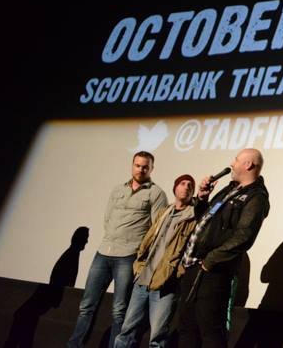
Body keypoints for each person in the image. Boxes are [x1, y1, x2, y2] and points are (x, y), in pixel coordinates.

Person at [67, 151, 168, 348]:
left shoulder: (156, 194)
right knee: (86, 306)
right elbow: (108, 219)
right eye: (137, 165)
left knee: (119, 310)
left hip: (128, 256)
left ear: (152, 169)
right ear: (132, 165)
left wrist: (139, 251)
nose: (141, 169)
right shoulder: (117, 190)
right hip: (104, 252)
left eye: (145, 166)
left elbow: (157, 229)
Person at [178, 148, 270, 348]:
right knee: (187, 327)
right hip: (193, 265)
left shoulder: (256, 197)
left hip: (214, 271)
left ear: (248, 165)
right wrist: (202, 198)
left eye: (236, 160)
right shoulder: (229, 189)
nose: (232, 163)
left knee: (210, 330)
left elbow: (244, 236)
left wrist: (210, 262)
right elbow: (205, 219)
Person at [113, 174, 198, 348]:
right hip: (143, 280)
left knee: (157, 338)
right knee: (126, 332)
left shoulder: (192, 217)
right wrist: (139, 267)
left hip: (165, 284)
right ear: (175, 188)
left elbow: (191, 249)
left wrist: (178, 272)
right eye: (182, 183)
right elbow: (148, 242)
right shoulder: (164, 211)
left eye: (190, 185)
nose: (186, 187)